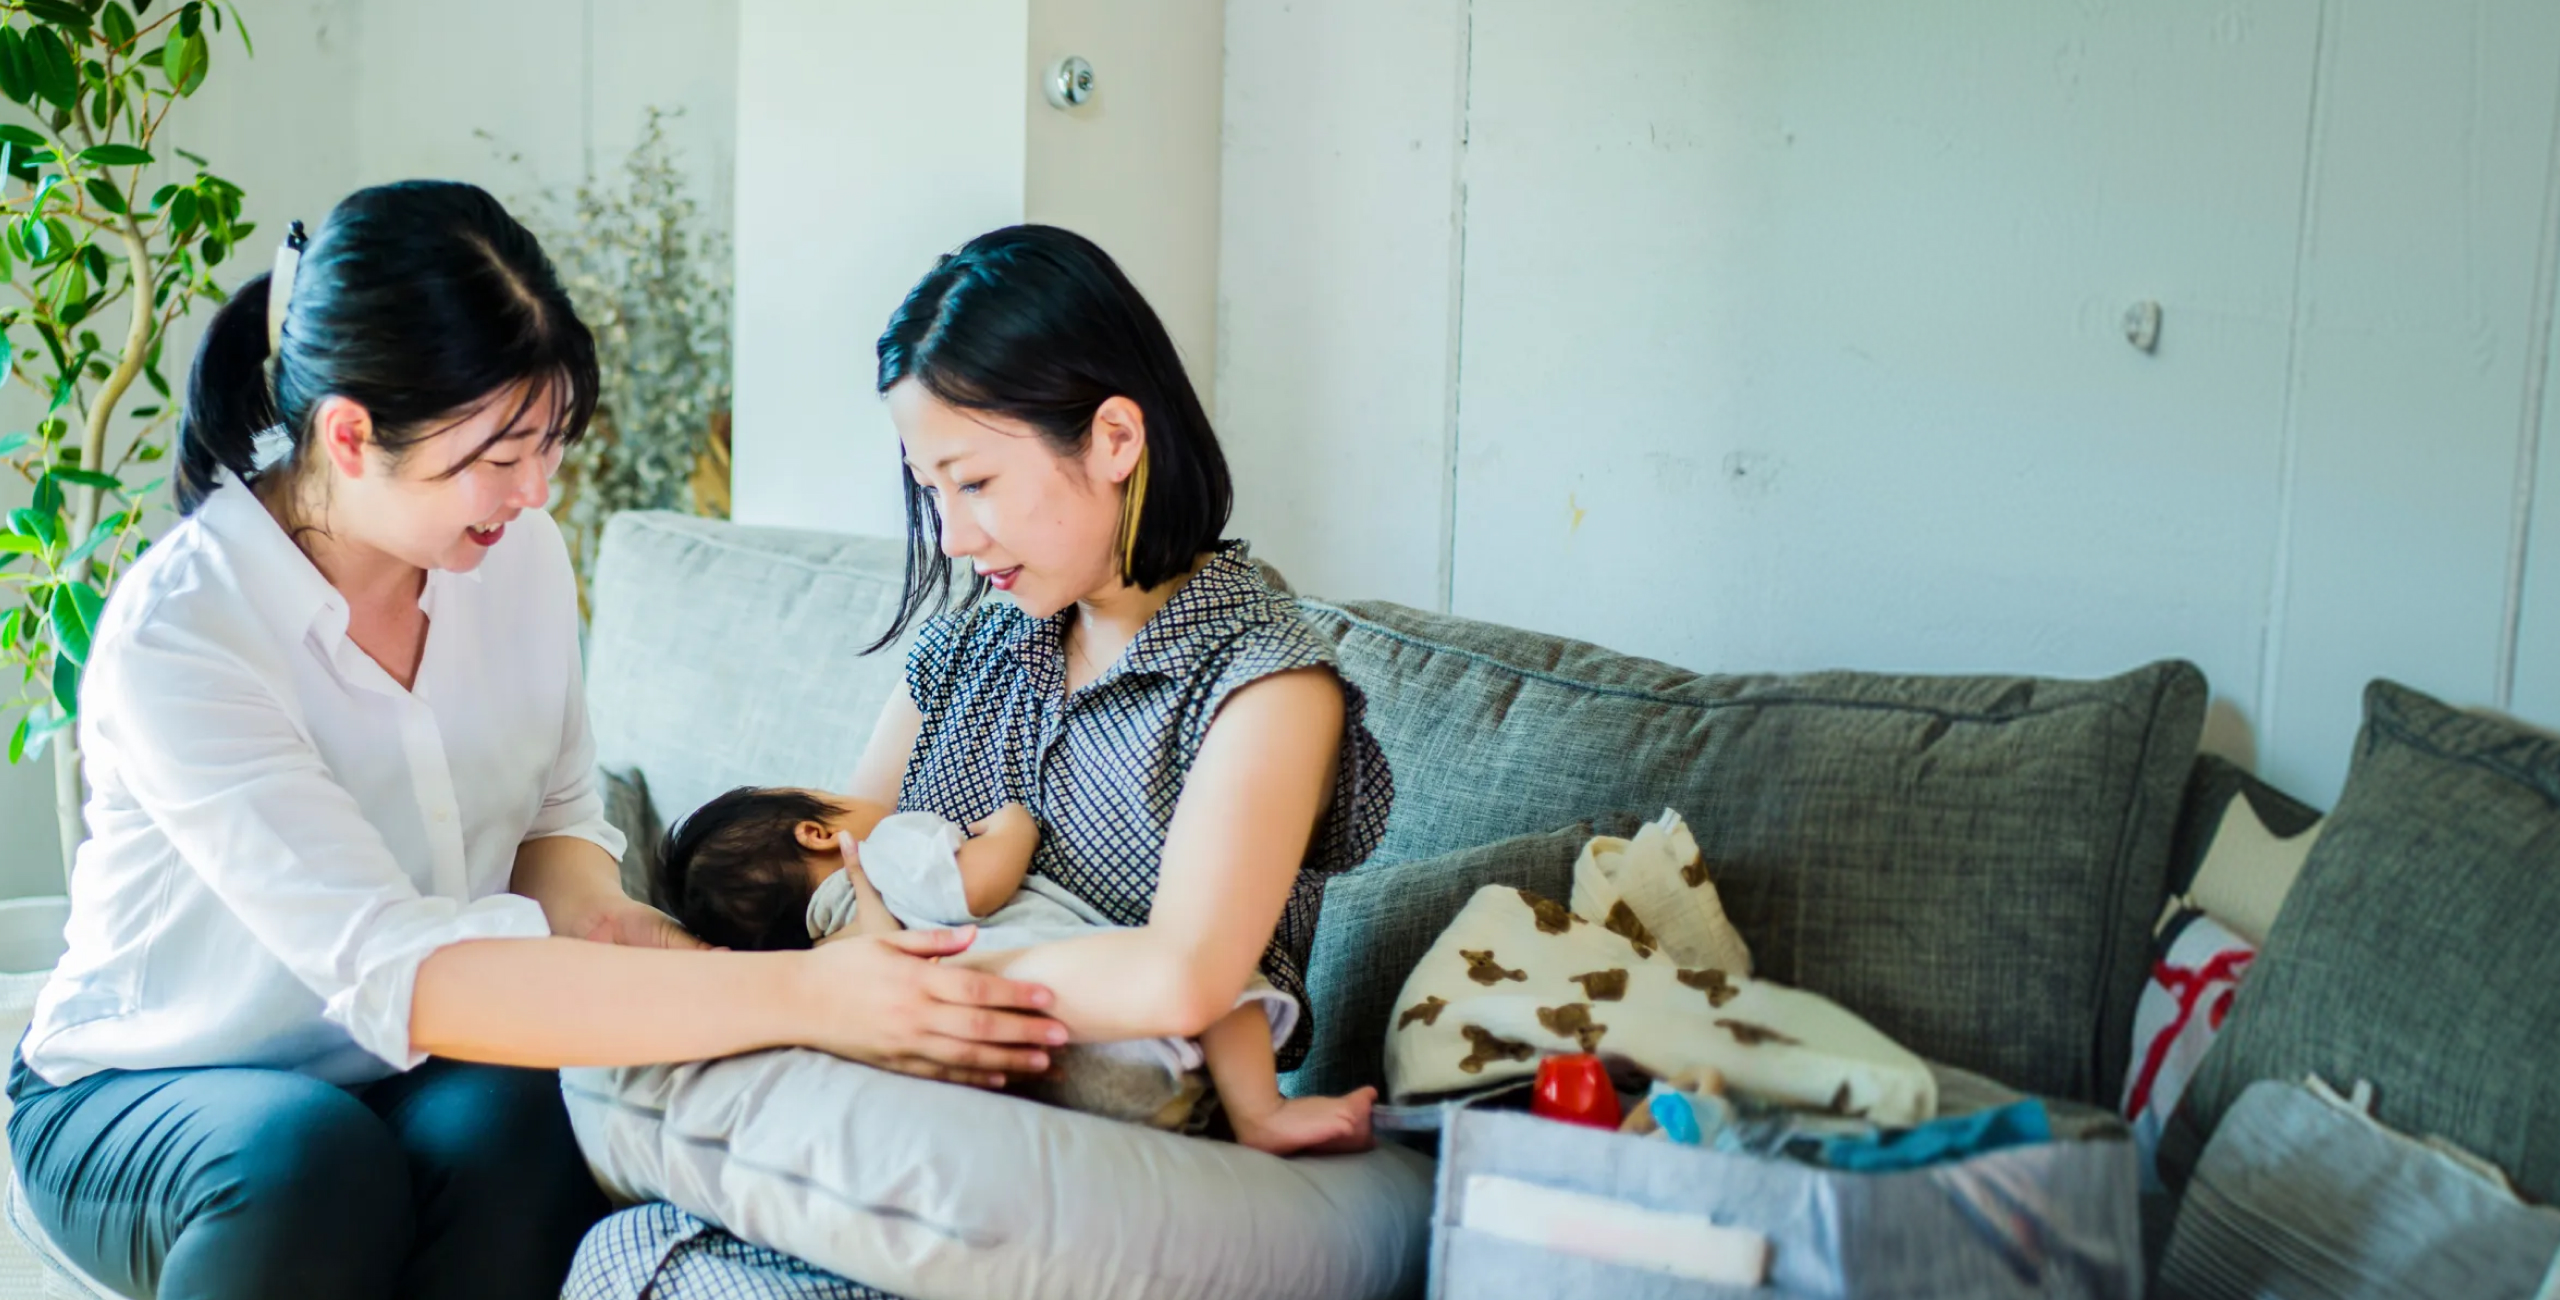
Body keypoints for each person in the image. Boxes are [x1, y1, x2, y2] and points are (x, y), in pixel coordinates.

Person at [6, 182, 1065, 1300]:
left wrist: (733, 976)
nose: (537, 488)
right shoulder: (186, 633)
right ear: (351, 434)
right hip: (146, 1088)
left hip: (390, 1068)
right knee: (308, 1159)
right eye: (500, 453)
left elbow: (553, 847)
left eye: (549, 441)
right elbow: (408, 974)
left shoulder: (514, 558)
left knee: (537, 1109)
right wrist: (814, 999)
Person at [568, 223, 1398, 1295]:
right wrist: (827, 980)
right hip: (934, 1117)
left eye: (975, 482)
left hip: (1125, 1143)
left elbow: (1180, 974)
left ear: (1112, 438)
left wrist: (899, 985)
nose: (953, 537)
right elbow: (845, 867)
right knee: (624, 1252)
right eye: (931, 492)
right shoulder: (966, 647)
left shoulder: (1266, 683)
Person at [655, 785, 1376, 1153]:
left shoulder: (830, 964)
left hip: (1055, 1088)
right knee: (1217, 963)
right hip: (1099, 1006)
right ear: (817, 832)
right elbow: (980, 885)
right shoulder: (878, 850)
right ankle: (1262, 1112)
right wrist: (1014, 823)